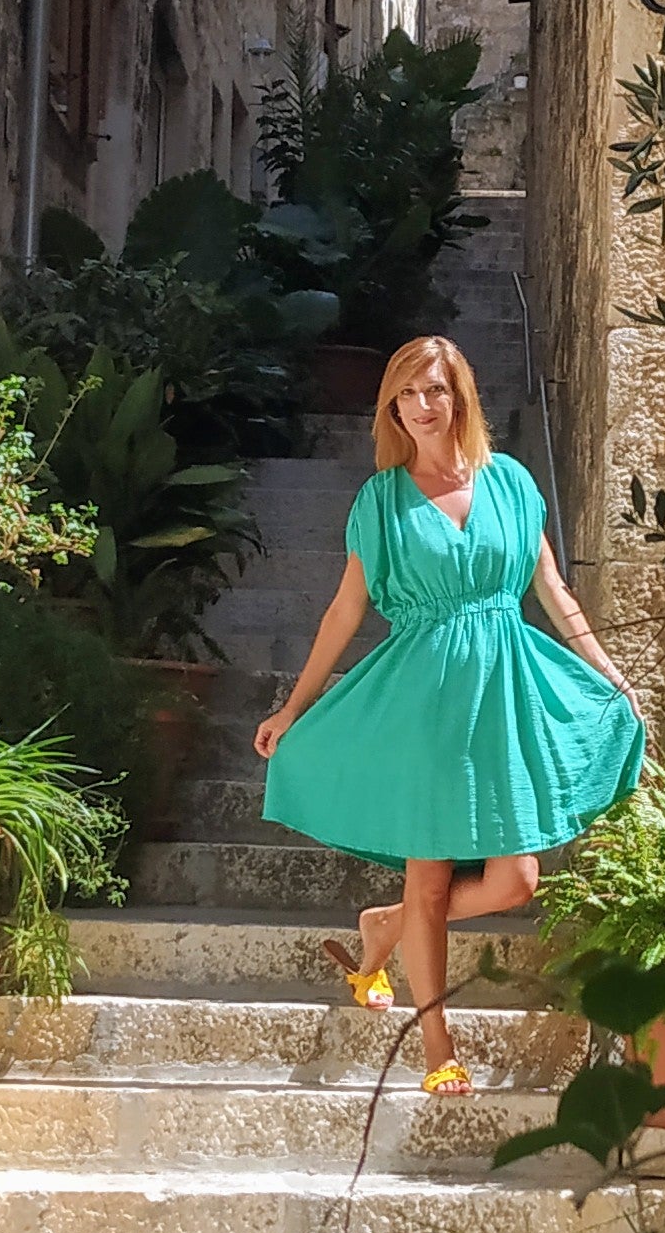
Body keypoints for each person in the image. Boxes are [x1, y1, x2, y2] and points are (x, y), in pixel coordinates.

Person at [254, 335, 643, 1093]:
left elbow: (553, 592)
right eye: (405, 394)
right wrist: (295, 705)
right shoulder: (381, 498)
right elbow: (344, 610)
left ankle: (382, 927)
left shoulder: (510, 484)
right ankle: (436, 1047)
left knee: (516, 881)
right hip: (423, 700)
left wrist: (611, 674)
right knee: (428, 882)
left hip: (503, 694)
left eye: (433, 390)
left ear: (459, 396)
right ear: (391, 407)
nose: (420, 406)